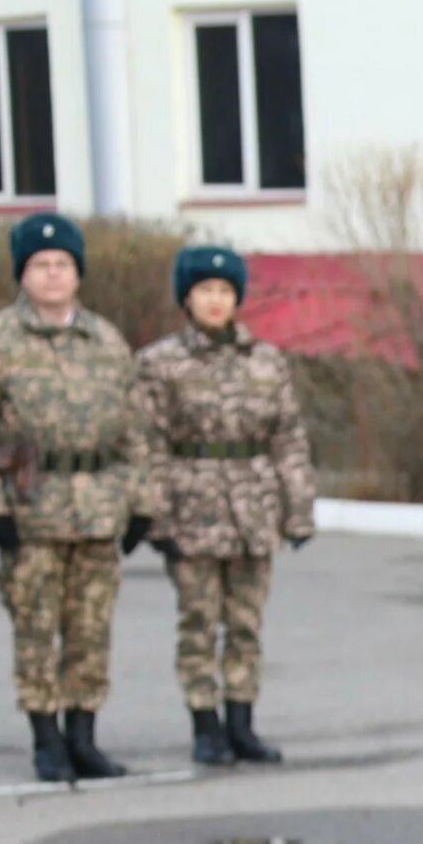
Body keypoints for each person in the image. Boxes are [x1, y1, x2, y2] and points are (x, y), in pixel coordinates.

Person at [0, 212, 157, 784]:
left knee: (91, 628)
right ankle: (46, 739)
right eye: (40, 265)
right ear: (22, 273)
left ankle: (84, 736)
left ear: (78, 273)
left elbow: (135, 431)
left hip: (96, 507)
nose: (51, 275)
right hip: (29, 509)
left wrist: (140, 501)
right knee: (36, 628)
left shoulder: (106, 341)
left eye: (62, 264)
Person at [136, 244, 313, 765]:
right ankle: (204, 722)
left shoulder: (264, 360)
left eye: (224, 291)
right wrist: (156, 512)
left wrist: (297, 505)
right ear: (186, 299)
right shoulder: (159, 363)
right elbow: (147, 443)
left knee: (246, 622)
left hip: (254, 506)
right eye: (204, 291)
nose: (215, 301)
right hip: (193, 506)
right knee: (198, 620)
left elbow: (288, 437)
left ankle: (242, 721)